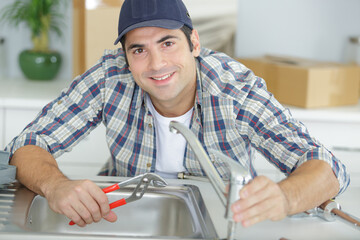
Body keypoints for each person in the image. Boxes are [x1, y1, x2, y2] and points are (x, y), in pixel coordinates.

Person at [5, 0, 349, 228]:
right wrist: (56, 185)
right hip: (123, 214)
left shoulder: (235, 89)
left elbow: (326, 166)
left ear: (195, 44)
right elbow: (27, 145)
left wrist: (286, 196)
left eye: (168, 42)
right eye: (139, 50)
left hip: (220, 219)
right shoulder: (110, 77)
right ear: (125, 56)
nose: (156, 65)